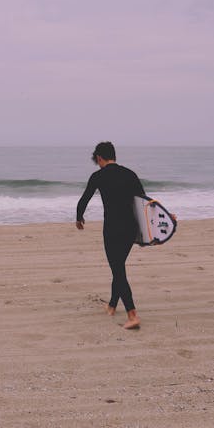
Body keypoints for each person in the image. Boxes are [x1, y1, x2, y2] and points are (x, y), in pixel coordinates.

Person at [75, 141, 147, 329]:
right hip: (130, 229)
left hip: (113, 229)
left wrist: (79, 217)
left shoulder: (98, 176)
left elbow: (84, 199)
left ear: (99, 158)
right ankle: (112, 305)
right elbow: (144, 202)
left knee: (117, 270)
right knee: (118, 266)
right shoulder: (130, 174)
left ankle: (133, 315)